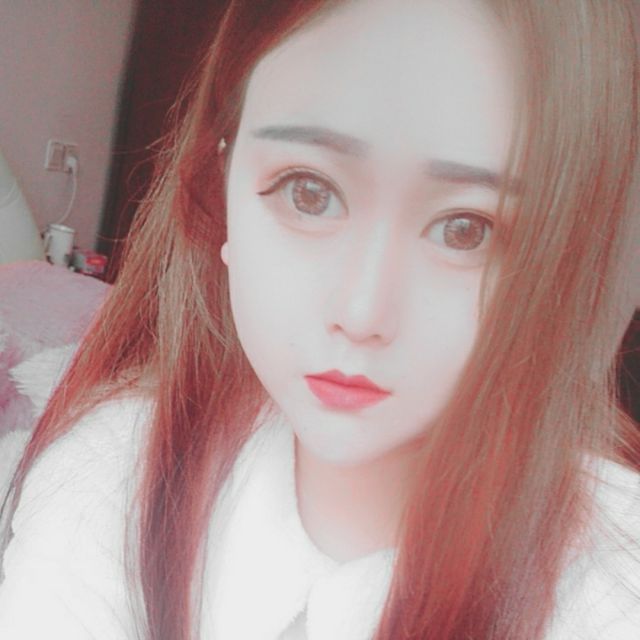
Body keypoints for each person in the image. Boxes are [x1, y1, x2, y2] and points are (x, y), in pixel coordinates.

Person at [1, 0, 639, 638]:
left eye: (466, 230)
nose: (361, 315)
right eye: (308, 192)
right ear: (220, 191)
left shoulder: (613, 581)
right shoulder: (111, 473)